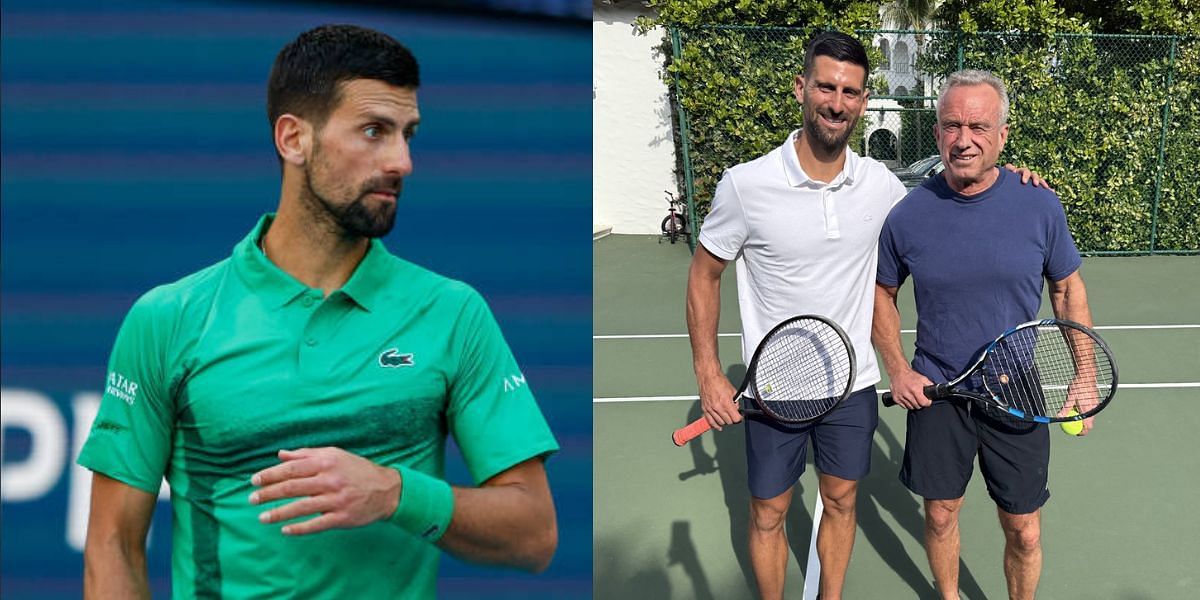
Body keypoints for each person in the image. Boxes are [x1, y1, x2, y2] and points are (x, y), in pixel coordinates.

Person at [77, 24, 558, 599]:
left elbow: (535, 533)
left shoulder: (454, 313)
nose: (402, 161)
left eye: (409, 134)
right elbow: (112, 545)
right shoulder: (166, 319)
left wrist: (394, 493)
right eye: (374, 132)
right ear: (293, 139)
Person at [873, 69, 1095, 600]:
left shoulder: (1038, 203)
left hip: (1017, 389)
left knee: (1024, 528)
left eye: (978, 125)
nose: (963, 139)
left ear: (1002, 135)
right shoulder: (907, 216)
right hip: (939, 393)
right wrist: (899, 370)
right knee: (942, 515)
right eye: (951, 125)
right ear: (936, 134)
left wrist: (1084, 378)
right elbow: (882, 294)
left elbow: (1067, 290)